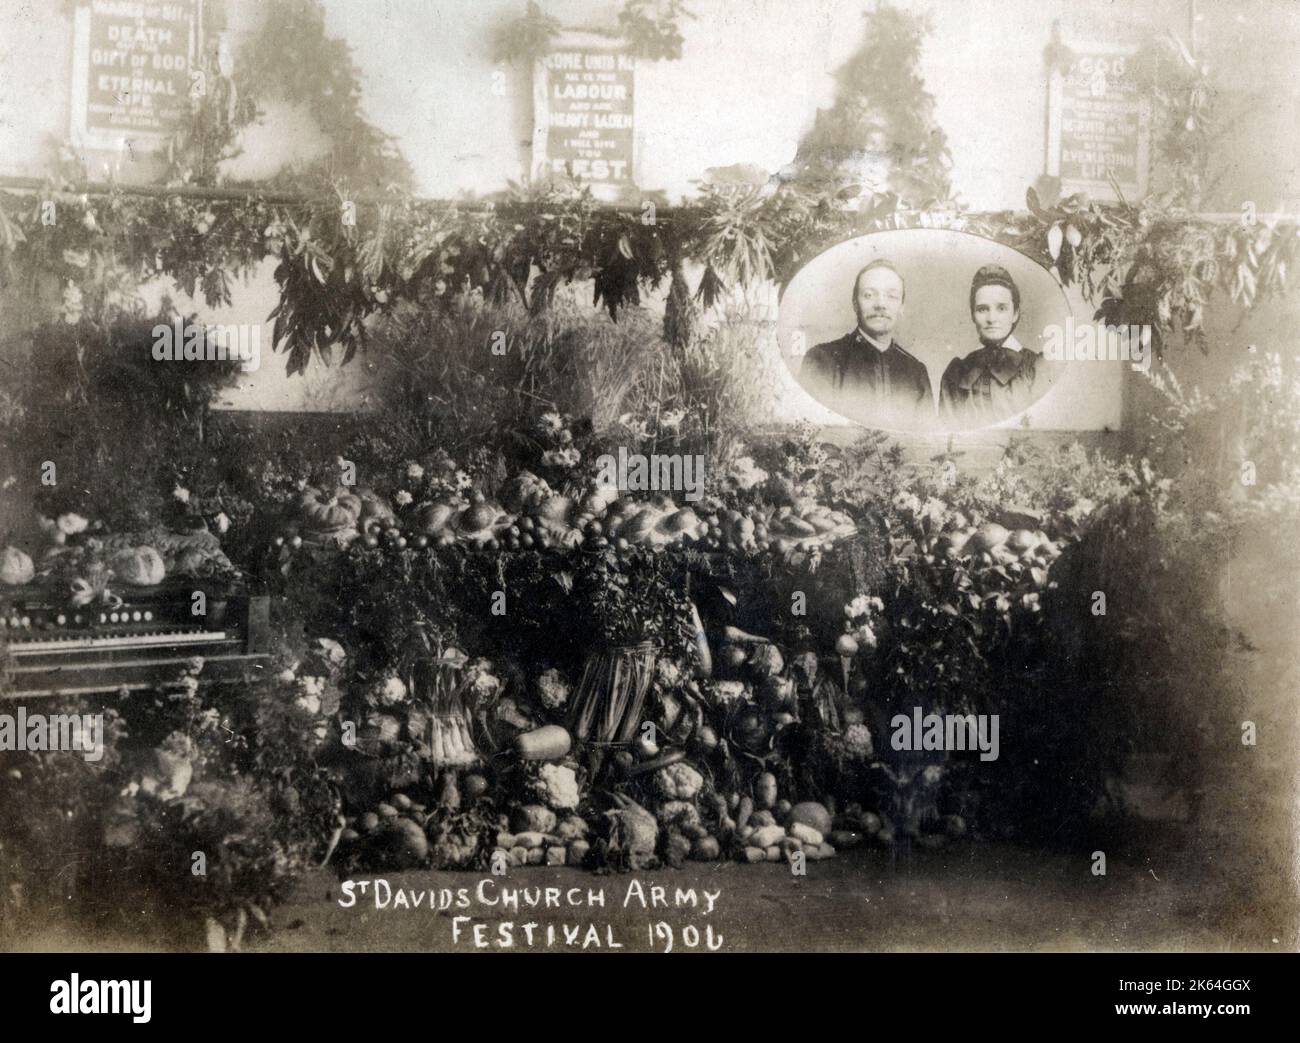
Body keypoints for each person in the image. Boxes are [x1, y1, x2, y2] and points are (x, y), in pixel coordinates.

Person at [798, 259, 934, 427]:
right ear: (855, 304)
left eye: (891, 296)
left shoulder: (916, 372)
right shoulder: (823, 360)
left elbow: (926, 443)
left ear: (901, 307)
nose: (880, 304)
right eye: (869, 295)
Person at [939, 264, 1044, 427]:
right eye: (982, 309)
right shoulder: (956, 373)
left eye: (1001, 308)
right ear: (973, 315)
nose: (991, 318)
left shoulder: (1036, 368)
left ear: (1015, 313)